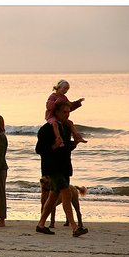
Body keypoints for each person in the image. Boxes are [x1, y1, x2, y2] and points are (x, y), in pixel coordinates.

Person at [36, 101, 89, 237]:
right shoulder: (47, 129)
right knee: (66, 192)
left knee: (53, 196)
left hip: (64, 166)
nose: (67, 115)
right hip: (53, 168)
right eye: (64, 112)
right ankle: (74, 227)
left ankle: (41, 225)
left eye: (68, 112)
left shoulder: (65, 127)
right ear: (56, 112)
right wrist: (54, 145)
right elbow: (39, 149)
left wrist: (74, 144)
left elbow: (65, 148)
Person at [45, 79, 87, 147]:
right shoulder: (53, 96)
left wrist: (77, 102)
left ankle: (77, 137)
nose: (65, 91)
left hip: (61, 117)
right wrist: (55, 103)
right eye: (64, 88)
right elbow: (48, 106)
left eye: (67, 89)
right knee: (55, 124)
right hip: (52, 116)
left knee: (70, 123)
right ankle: (59, 139)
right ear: (59, 87)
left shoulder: (64, 97)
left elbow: (69, 106)